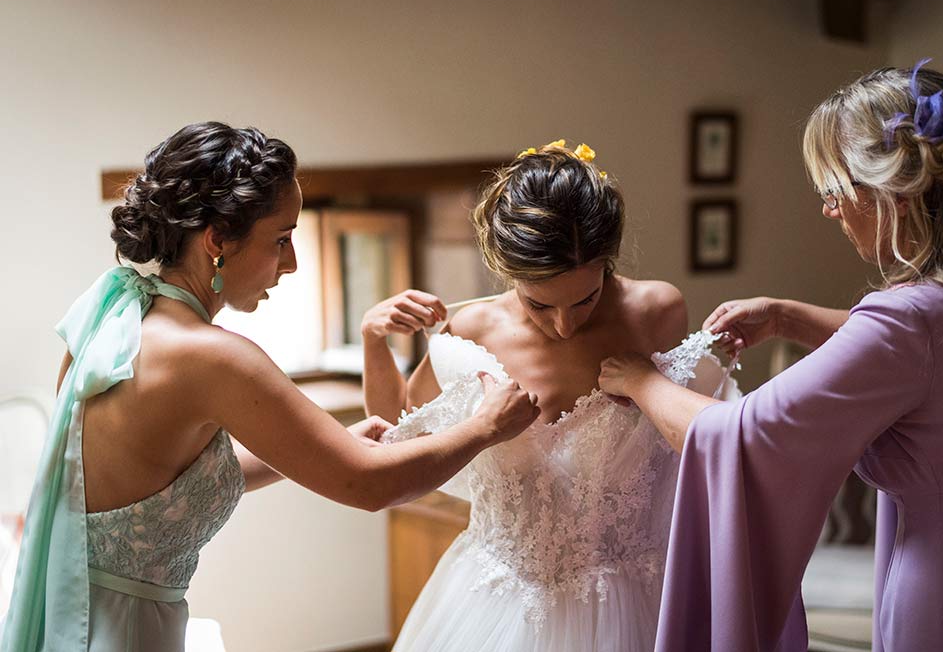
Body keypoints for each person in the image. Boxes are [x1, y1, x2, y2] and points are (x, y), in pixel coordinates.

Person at [0, 122, 540, 652]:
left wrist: (325, 443)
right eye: (281, 239)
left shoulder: (113, 318)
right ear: (217, 241)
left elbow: (157, 486)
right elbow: (369, 488)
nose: (293, 262)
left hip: (78, 615)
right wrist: (486, 426)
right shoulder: (214, 357)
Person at [599, 61, 943, 651]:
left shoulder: (912, 317)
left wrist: (642, 379)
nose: (829, 211)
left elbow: (743, 438)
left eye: (834, 191)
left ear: (890, 194)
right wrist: (788, 317)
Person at [361, 140, 732, 652]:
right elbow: (393, 439)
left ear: (608, 262)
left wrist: (651, 387)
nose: (564, 324)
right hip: (496, 605)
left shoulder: (657, 312)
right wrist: (373, 341)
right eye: (539, 303)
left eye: (587, 298)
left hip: (636, 602)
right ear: (504, 270)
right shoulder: (473, 329)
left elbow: (703, 444)